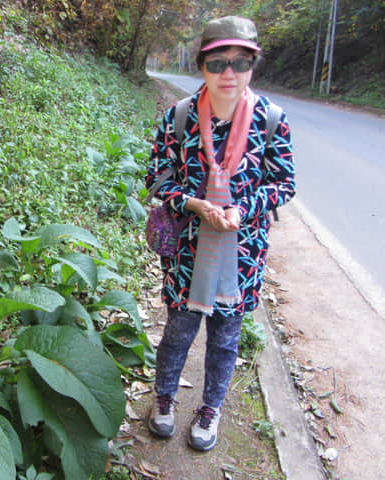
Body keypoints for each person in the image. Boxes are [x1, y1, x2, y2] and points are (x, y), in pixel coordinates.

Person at [145, 16, 295, 451]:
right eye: (218, 61)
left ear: (252, 64)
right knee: (178, 331)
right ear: (202, 64)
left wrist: (242, 209)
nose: (229, 72)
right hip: (187, 252)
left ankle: (210, 407)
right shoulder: (179, 118)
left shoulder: (272, 121)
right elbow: (156, 177)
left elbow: (284, 183)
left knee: (227, 339)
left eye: (240, 61)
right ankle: (165, 399)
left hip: (242, 252)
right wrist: (194, 204)